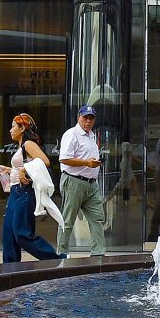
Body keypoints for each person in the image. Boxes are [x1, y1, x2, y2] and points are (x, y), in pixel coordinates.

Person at [1, 112, 65, 262]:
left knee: (22, 234)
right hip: (15, 192)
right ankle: (9, 269)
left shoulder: (28, 144)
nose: (10, 130)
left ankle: (55, 258)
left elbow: (45, 161)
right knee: (8, 236)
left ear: (22, 128)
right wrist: (8, 170)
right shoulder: (21, 147)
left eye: (13, 126)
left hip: (25, 192)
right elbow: (22, 167)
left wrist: (24, 170)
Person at [58, 104, 107, 256]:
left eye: (91, 118)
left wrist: (93, 164)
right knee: (67, 219)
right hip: (74, 181)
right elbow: (64, 158)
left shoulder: (92, 135)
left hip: (91, 184)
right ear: (79, 117)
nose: (88, 121)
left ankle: (98, 253)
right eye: (85, 117)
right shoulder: (71, 134)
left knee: (97, 219)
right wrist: (87, 163)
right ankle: (61, 254)